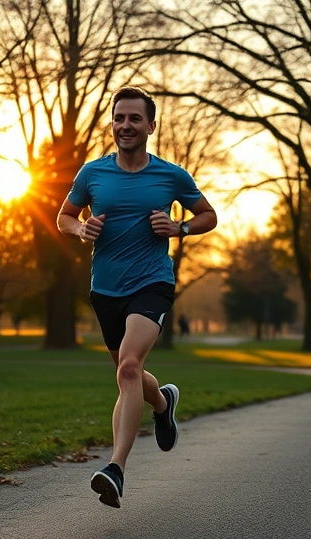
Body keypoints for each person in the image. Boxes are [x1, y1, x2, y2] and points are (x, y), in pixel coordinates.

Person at [56, 86, 218, 508]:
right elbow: (63, 217)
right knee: (130, 375)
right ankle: (162, 404)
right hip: (105, 289)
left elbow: (208, 215)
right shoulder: (93, 173)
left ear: (150, 125)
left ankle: (116, 469)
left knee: (128, 369)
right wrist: (80, 230)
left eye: (133, 118)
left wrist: (180, 227)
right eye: (118, 118)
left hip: (152, 283)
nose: (125, 125)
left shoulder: (171, 175)